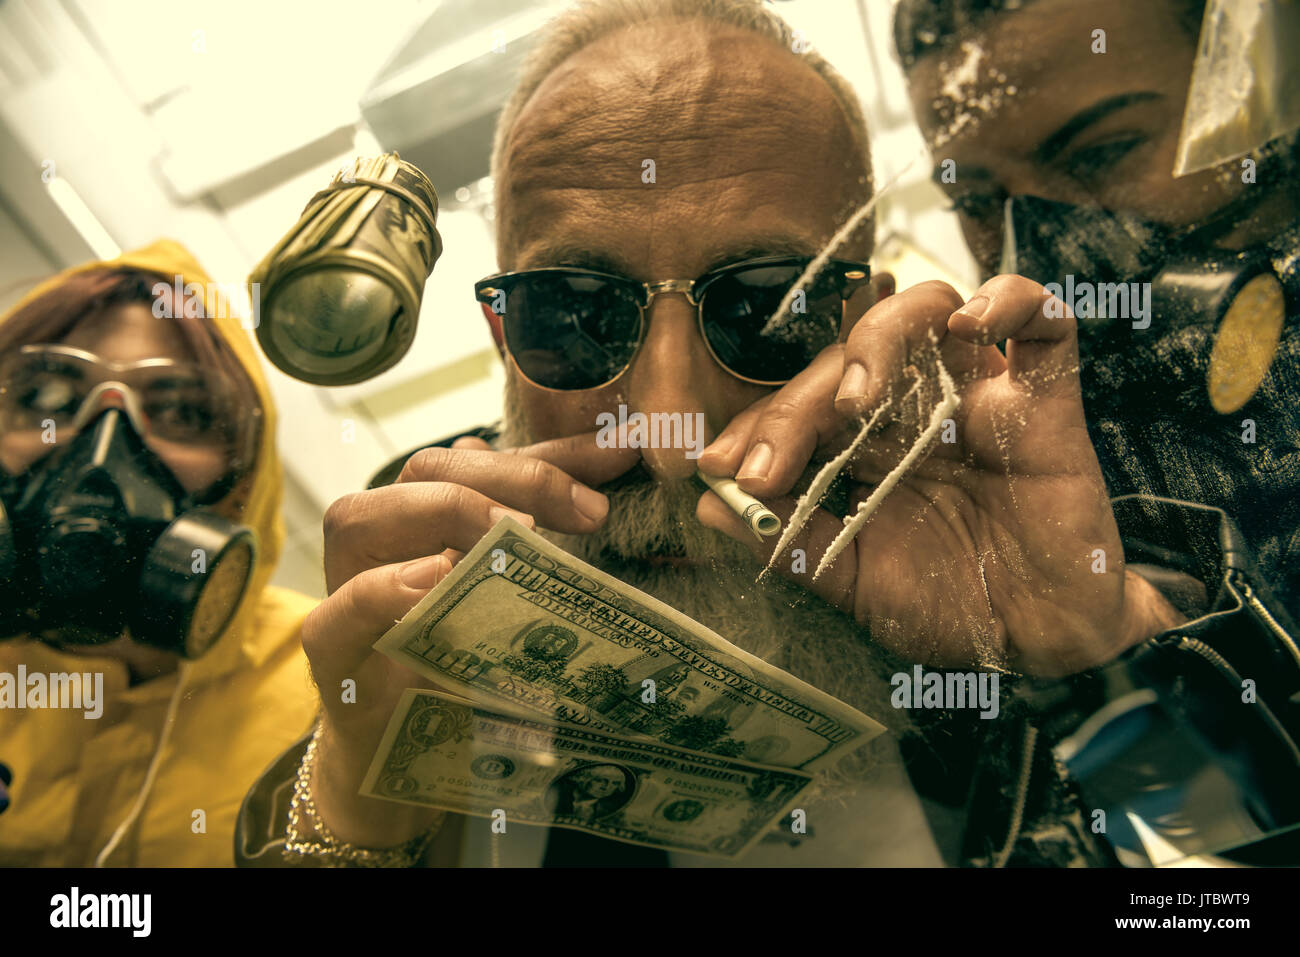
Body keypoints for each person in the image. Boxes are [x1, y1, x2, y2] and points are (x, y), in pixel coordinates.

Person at [236, 0, 1208, 868]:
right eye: (573, 313)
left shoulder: (1038, 525)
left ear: (858, 318)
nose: (670, 435)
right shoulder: (422, 574)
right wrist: (353, 807)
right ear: (502, 334)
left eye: (763, 311)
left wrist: (1093, 654)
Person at [892, 0, 1300, 864]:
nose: (1037, 249)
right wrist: (1109, 660)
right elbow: (1204, 878)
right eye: (979, 201)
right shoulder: (1024, 498)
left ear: (1267, 97)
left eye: (1103, 153)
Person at [0, 240, 319, 866]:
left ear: (245, 476)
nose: (101, 451)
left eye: (180, 411)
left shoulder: (331, 689)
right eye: (42, 400)